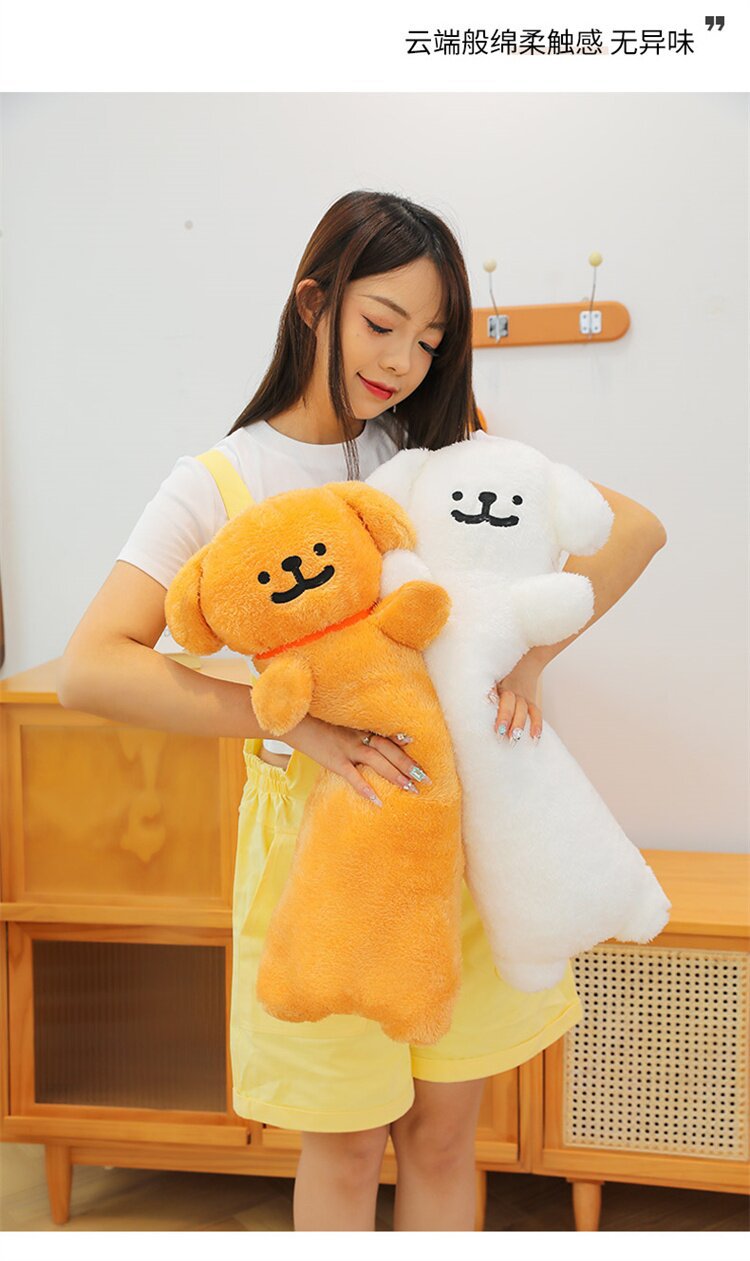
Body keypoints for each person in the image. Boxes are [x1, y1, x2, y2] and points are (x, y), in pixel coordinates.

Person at [58, 189, 667, 1231]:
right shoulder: (219, 479)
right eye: (383, 323)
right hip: (321, 852)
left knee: (443, 1135)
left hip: (460, 823)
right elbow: (90, 668)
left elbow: (634, 530)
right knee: (342, 1147)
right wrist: (290, 721)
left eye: (429, 339)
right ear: (314, 303)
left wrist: (524, 662)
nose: (403, 360)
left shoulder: (440, 451)